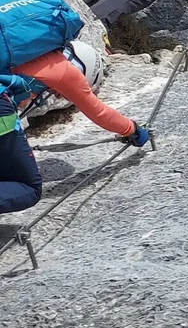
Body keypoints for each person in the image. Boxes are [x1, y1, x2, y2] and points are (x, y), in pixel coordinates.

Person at [1, 40, 149, 220]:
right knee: (28, 188)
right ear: (83, 70)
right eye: (60, 93)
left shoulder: (27, 52)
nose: (56, 95)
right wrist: (133, 130)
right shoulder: (65, 69)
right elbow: (99, 112)